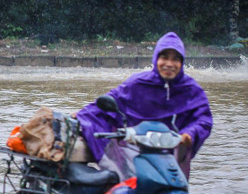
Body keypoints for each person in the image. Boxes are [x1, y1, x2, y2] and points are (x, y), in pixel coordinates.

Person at [76, 31, 213, 180]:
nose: (169, 64)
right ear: (156, 59)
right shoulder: (138, 83)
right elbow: (110, 102)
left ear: (182, 62)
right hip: (136, 151)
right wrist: (80, 115)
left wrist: (189, 134)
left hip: (172, 156)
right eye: (164, 57)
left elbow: (203, 120)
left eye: (175, 59)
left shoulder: (192, 90)